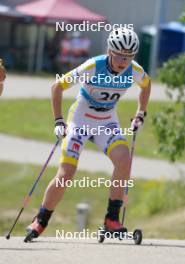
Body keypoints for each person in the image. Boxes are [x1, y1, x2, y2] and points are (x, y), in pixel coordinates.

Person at [25, 27, 151, 240]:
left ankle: (111, 220)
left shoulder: (135, 70)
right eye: (120, 55)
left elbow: (146, 86)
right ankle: (40, 220)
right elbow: (57, 86)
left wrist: (140, 114)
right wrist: (58, 120)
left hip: (107, 121)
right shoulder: (93, 66)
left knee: (124, 161)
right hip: (80, 121)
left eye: (129, 57)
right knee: (66, 174)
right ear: (110, 51)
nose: (123, 61)